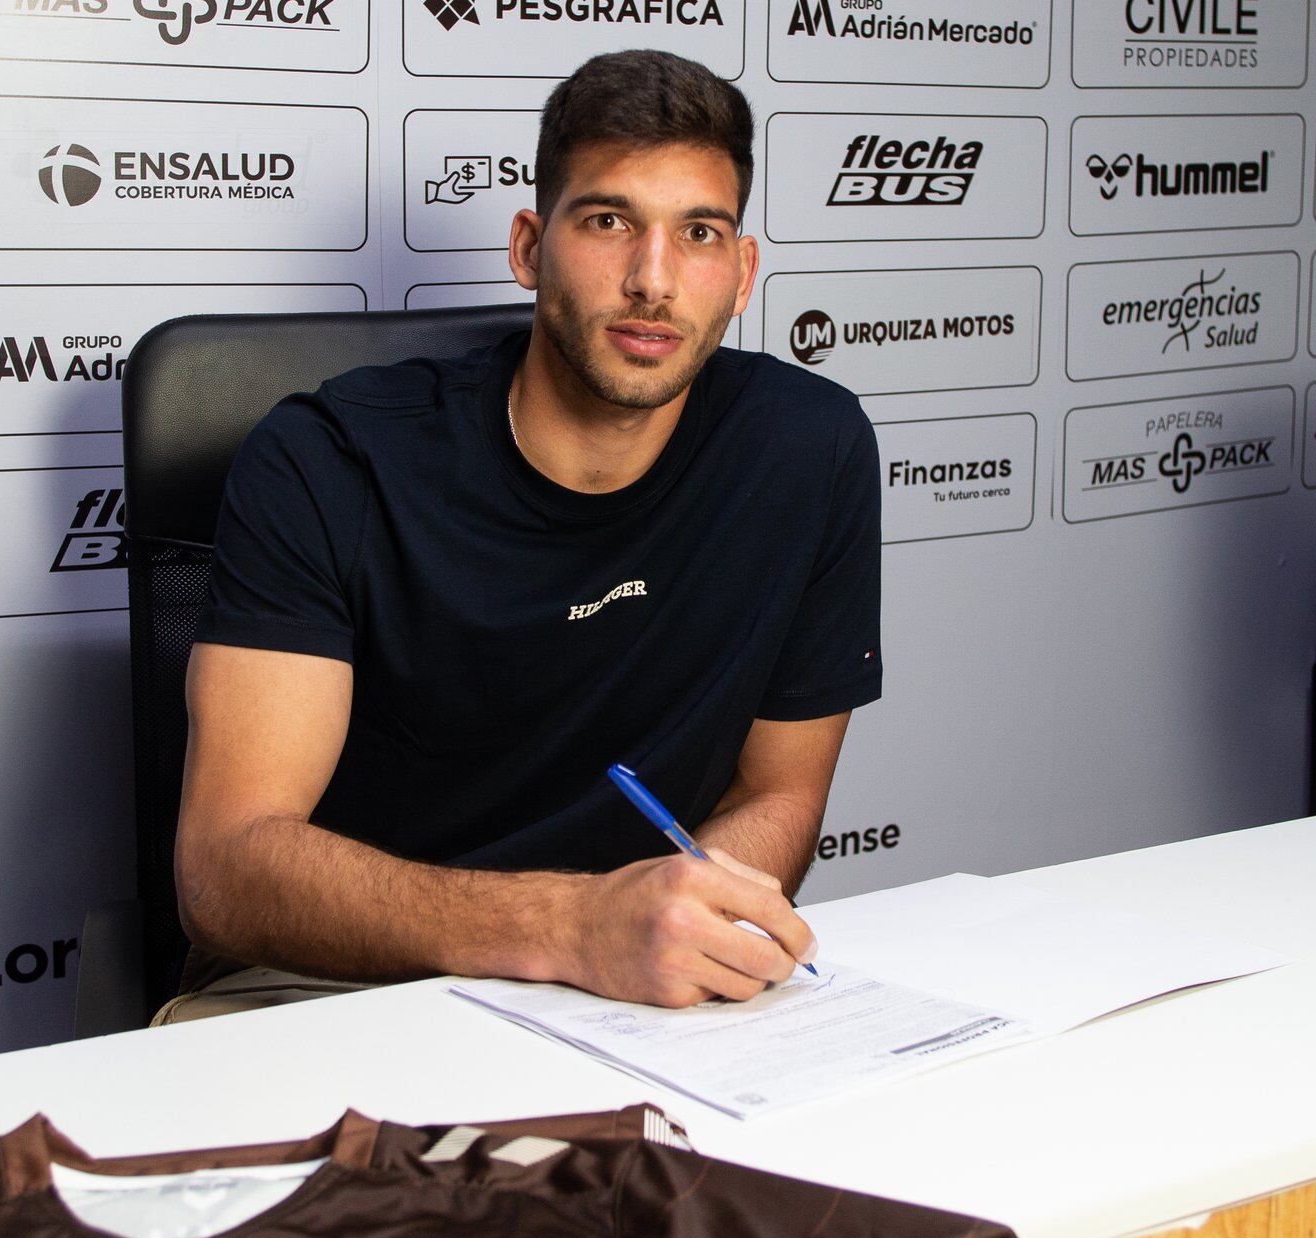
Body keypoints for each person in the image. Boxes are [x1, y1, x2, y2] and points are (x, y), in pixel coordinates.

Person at [159, 49, 882, 1025]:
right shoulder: (326, 457)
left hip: (634, 990)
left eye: (697, 232)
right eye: (606, 221)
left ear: (741, 271)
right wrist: (572, 924)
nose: (652, 280)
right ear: (528, 248)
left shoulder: (810, 446)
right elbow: (227, 867)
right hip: (338, 985)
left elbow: (780, 793)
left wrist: (679, 920)